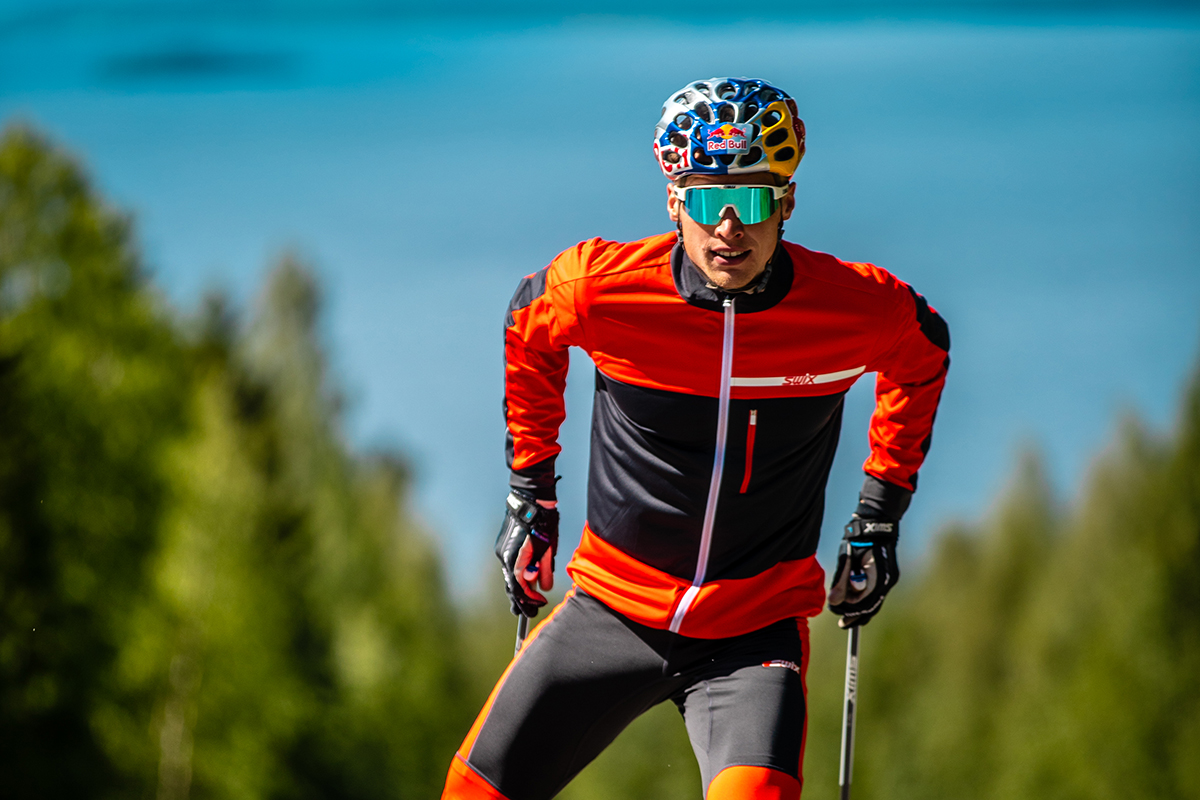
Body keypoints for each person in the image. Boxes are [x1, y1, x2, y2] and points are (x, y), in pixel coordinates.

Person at [442, 77, 950, 800]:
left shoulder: (855, 309)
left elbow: (923, 354)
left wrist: (878, 515)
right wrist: (532, 493)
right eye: (709, 202)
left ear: (787, 204)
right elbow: (529, 322)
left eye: (753, 201)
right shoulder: (605, 290)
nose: (729, 228)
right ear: (674, 203)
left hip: (753, 633)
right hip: (609, 611)